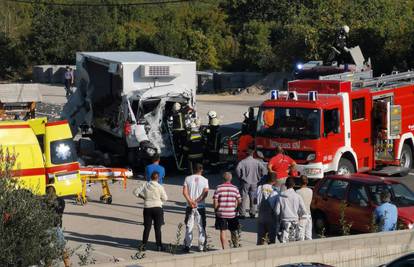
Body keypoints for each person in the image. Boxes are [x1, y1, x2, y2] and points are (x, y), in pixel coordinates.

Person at [133, 171, 168, 251]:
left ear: (150, 177)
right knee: (157, 228)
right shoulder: (160, 186)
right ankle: (159, 246)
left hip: (147, 207)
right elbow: (165, 198)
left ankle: (143, 245)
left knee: (147, 228)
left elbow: (135, 192)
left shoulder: (145, 184)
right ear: (158, 178)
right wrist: (160, 201)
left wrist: (143, 197)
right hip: (157, 208)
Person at [182, 163, 209, 252]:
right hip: (200, 206)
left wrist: (190, 201)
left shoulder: (187, 178)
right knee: (201, 227)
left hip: (189, 206)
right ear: (201, 170)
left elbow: (184, 192)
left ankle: (187, 245)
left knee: (189, 226)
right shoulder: (205, 180)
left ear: (193, 169)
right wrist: (197, 201)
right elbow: (205, 193)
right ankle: (201, 247)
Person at [236, 147, 267, 219]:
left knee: (243, 198)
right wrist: (259, 177)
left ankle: (242, 214)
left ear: (246, 154)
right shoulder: (257, 162)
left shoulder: (242, 162)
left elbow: (237, 169)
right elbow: (264, 170)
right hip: (254, 182)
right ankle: (253, 213)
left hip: (245, 182)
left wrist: (240, 177)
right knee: (253, 198)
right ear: (252, 154)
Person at [213, 172, 242, 249]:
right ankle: (235, 245)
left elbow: (215, 201)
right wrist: (236, 208)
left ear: (223, 179)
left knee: (223, 231)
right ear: (231, 179)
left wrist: (216, 210)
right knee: (233, 230)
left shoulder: (218, 188)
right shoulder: (235, 188)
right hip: (232, 213)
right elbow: (239, 200)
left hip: (221, 213)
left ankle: (224, 248)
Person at [276, 177, 306, 243]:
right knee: (293, 243)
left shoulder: (280, 196)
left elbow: (277, 211)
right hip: (295, 222)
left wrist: (279, 219)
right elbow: (304, 210)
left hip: (284, 222)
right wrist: (299, 216)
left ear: (286, 185)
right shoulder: (298, 196)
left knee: (283, 242)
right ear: (294, 185)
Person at [256, 175, 279, 245]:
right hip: (271, 217)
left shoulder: (260, 188)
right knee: (271, 240)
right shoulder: (276, 190)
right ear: (274, 181)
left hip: (261, 216)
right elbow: (277, 206)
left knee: (260, 239)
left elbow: (255, 200)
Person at [296, 175, 313, 240]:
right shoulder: (311, 191)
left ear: (299, 182)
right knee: (309, 236)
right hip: (309, 215)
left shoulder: (297, 192)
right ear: (307, 182)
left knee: (301, 237)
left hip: (301, 216)